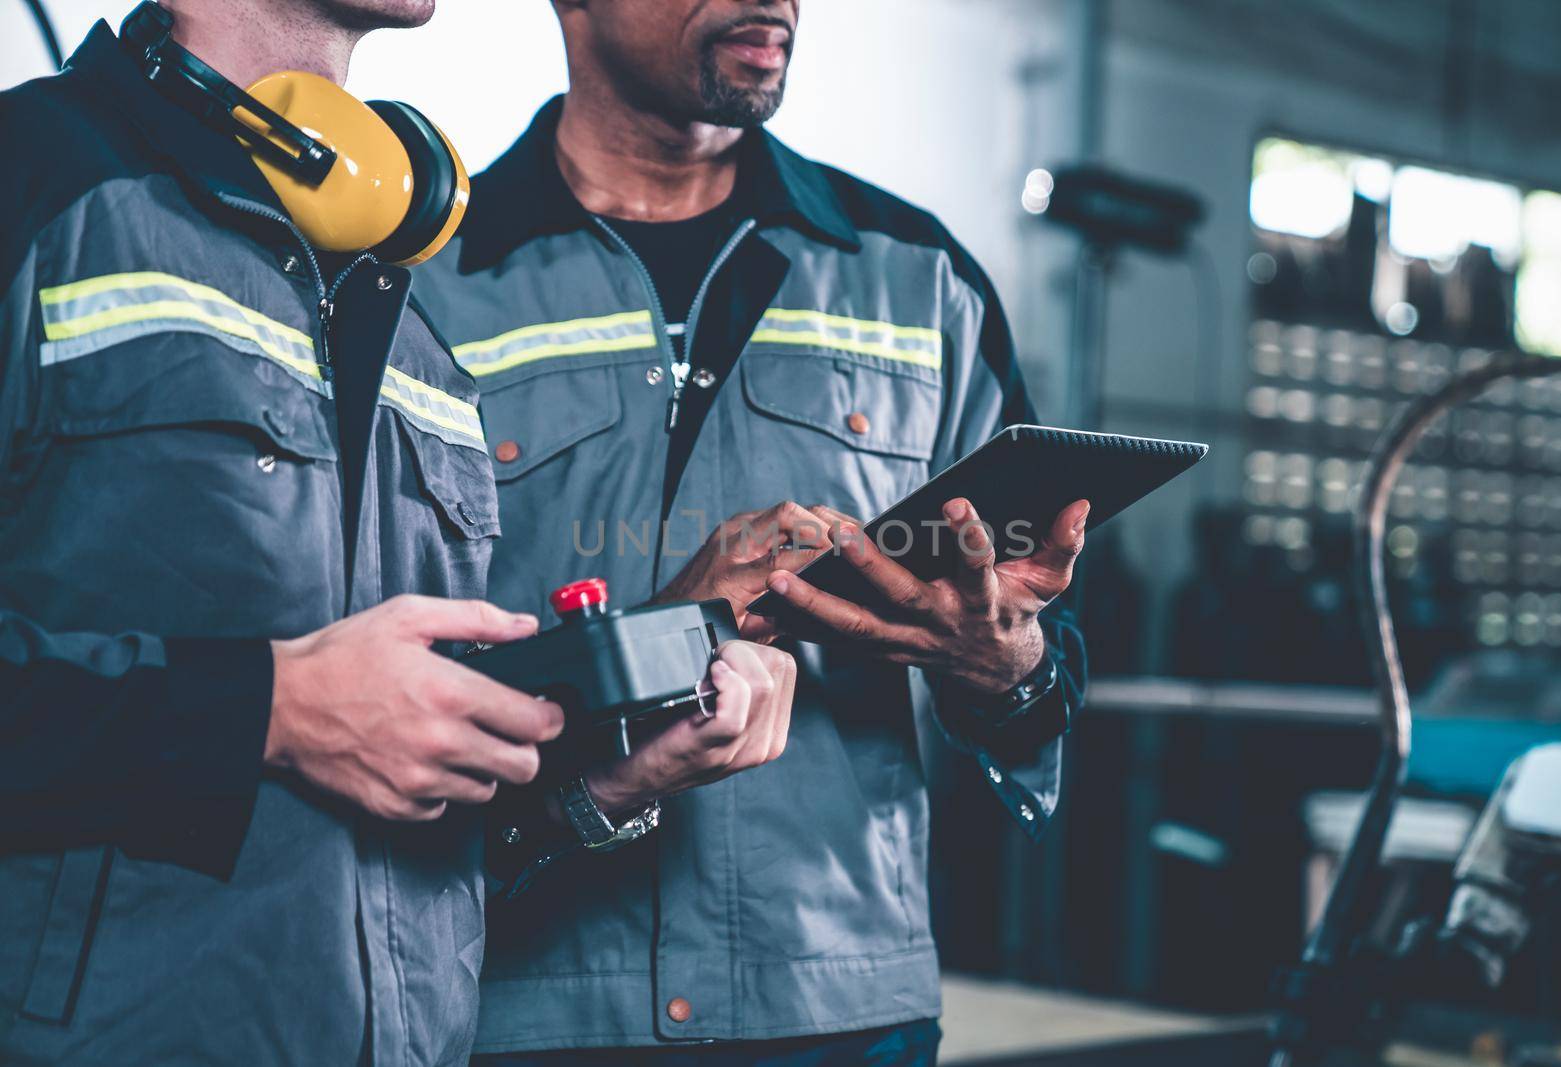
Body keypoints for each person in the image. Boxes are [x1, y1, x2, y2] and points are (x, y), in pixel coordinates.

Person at [0, 2, 793, 1064]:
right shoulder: (33, 181)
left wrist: (599, 784)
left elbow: (389, 831)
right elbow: (296, 724)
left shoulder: (411, 315)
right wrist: (269, 709)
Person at [413, 0, 1089, 1062]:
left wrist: (1005, 669)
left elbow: (1041, 663)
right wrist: (662, 634)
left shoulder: (920, 280)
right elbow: (369, 666)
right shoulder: (420, 290)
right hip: (518, 998)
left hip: (834, 1008)